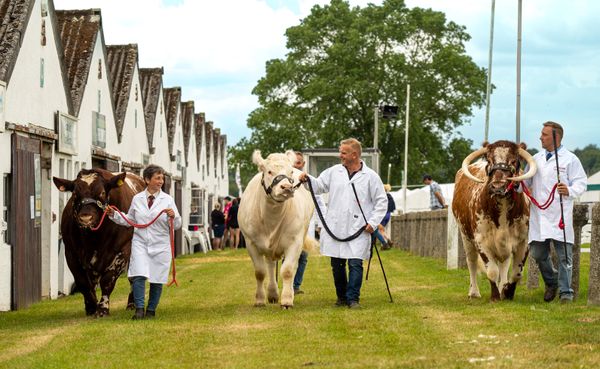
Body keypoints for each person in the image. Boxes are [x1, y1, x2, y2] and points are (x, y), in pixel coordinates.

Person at [299, 138, 388, 309]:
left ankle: (353, 298)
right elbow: (318, 186)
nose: (340, 155)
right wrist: (307, 178)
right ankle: (341, 297)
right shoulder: (334, 172)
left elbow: (381, 201)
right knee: (337, 264)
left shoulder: (370, 177)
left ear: (354, 155)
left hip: (359, 228)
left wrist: (373, 222)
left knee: (355, 262)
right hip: (336, 226)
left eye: (343, 153)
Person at [107, 164, 182, 320]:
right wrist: (115, 214)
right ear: (147, 179)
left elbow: (178, 225)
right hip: (141, 242)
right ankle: (139, 310)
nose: (161, 181)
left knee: (156, 278)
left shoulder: (167, 200)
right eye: (157, 178)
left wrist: (172, 216)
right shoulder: (137, 199)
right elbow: (131, 220)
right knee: (138, 275)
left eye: (162, 178)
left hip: (160, 244)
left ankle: (151, 310)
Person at [524, 121, 587, 304]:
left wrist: (569, 190)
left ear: (555, 137)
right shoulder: (534, 159)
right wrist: (517, 178)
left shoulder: (570, 159)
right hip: (539, 216)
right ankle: (551, 282)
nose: (540, 137)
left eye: (544, 134)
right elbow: (525, 184)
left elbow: (581, 183)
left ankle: (566, 293)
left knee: (564, 257)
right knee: (537, 253)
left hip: (560, 215)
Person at [291, 151, 325, 295]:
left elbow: (319, 203)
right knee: (289, 256)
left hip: (305, 226)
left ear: (303, 164)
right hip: (289, 226)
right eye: (293, 162)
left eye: (298, 162)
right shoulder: (285, 180)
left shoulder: (308, 180)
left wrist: (322, 224)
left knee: (303, 257)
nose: (295, 165)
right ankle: (288, 284)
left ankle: (296, 285)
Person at [379, 184, 396, 249]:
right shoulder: (390, 196)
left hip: (382, 214)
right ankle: (388, 240)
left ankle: (385, 242)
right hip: (388, 214)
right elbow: (393, 207)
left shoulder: (382, 196)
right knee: (387, 229)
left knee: (380, 230)